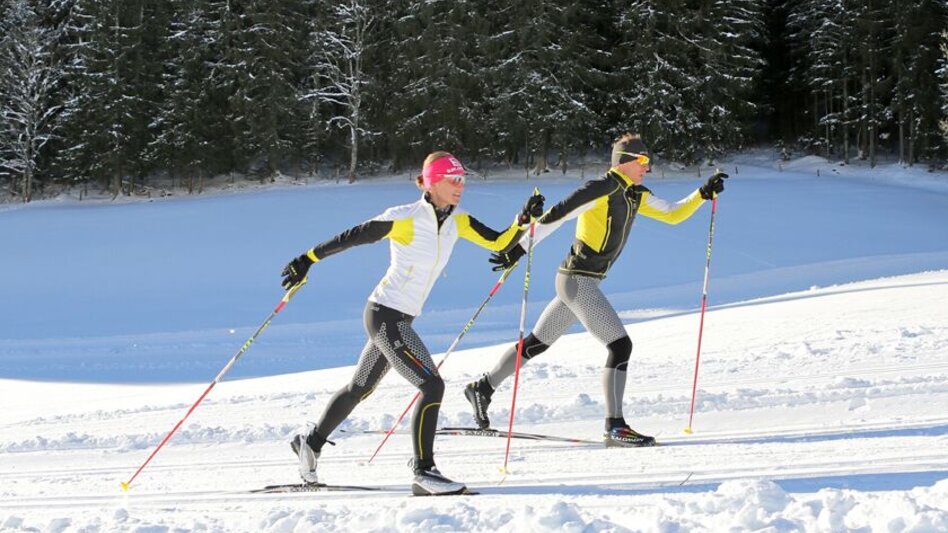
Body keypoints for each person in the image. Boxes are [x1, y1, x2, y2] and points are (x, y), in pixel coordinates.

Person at [280, 151, 544, 496]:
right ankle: (424, 470)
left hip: (399, 318)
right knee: (432, 385)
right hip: (384, 315)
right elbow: (354, 236)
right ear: (432, 182)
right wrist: (308, 258)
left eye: (462, 180)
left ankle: (309, 442)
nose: (459, 186)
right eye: (452, 180)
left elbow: (498, 241)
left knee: (359, 387)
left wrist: (523, 219)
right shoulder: (405, 218)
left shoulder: (458, 220)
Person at [464, 133, 727, 447]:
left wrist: (702, 194)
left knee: (535, 344)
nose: (648, 167)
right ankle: (614, 426)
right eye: (643, 161)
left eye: (648, 161)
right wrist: (517, 250)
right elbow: (557, 215)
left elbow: (672, 214)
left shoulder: (635, 194)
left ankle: (483, 387)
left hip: (583, 281)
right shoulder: (601, 188)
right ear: (626, 162)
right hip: (577, 279)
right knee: (620, 346)